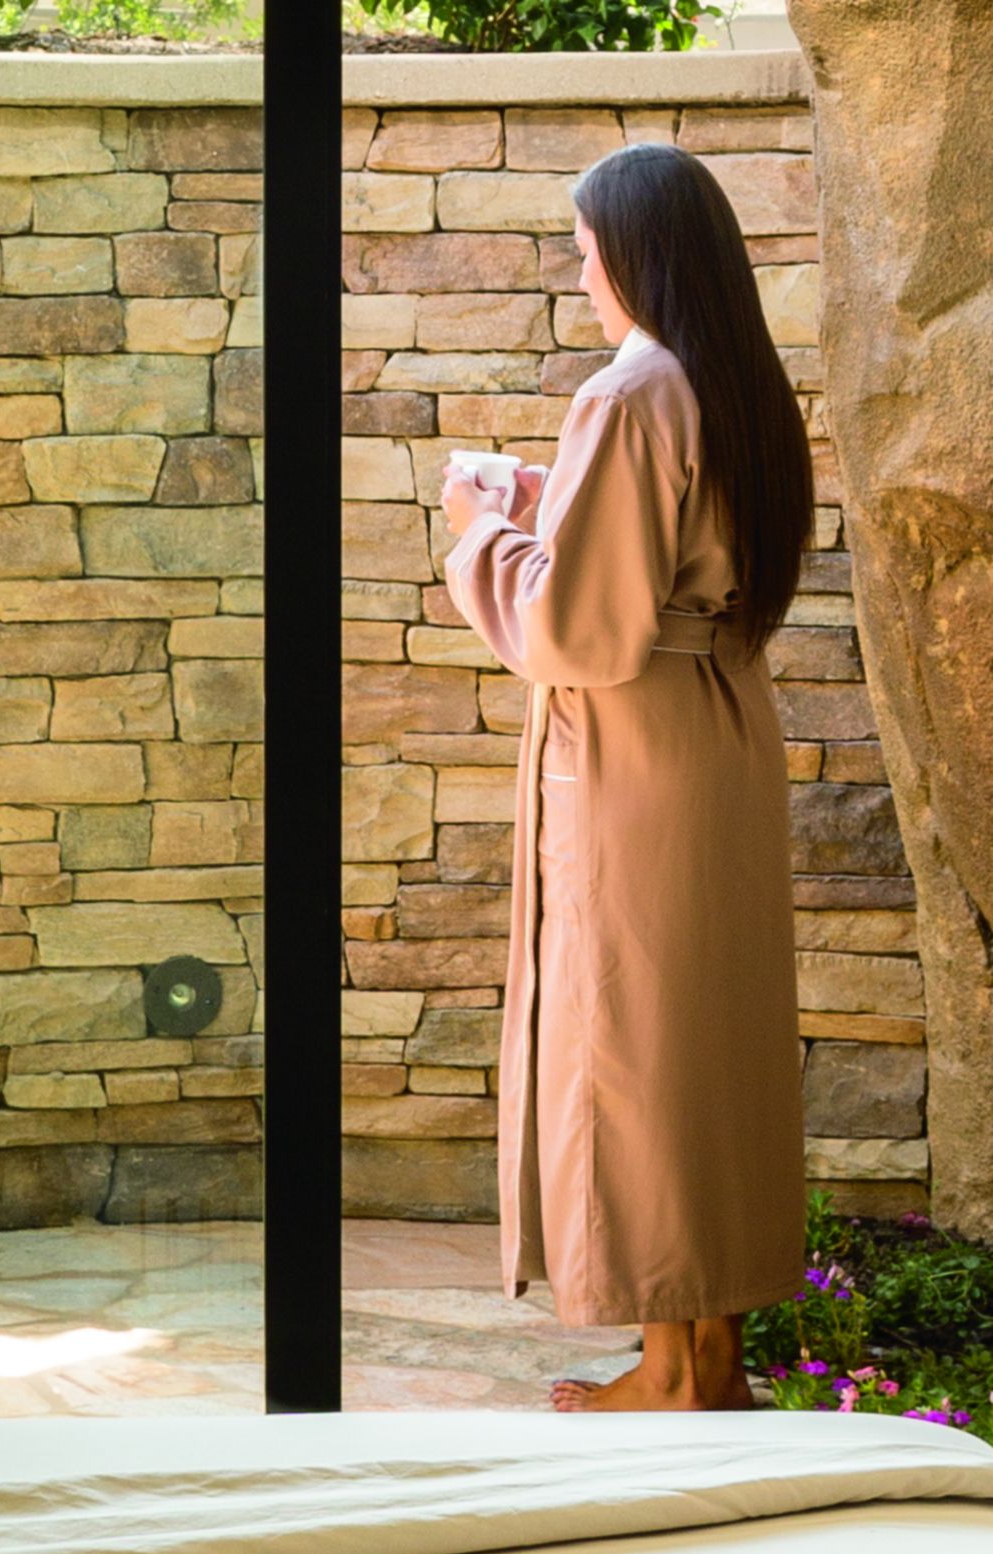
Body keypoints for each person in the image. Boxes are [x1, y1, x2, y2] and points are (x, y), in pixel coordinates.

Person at [441, 143, 814, 1413]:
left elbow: (577, 633)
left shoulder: (629, 389)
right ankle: (714, 1358)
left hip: (634, 752)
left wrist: (480, 528)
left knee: (636, 1044)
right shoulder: (738, 385)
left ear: (635, 252)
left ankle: (667, 1371)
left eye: (585, 247)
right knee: (709, 1043)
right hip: (719, 733)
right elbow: (673, 555)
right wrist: (552, 502)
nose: (578, 268)